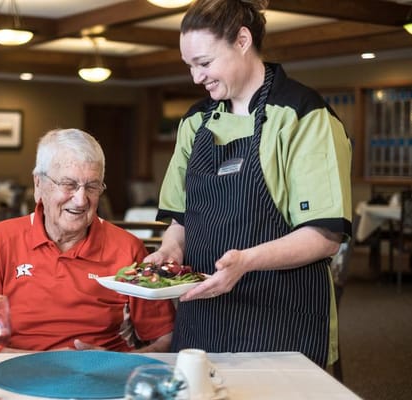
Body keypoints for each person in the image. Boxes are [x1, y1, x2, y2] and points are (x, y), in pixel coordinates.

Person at [144, 0, 352, 368]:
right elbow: (181, 220)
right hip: (202, 318)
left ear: (242, 40)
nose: (195, 77)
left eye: (204, 63)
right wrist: (170, 252)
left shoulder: (303, 115)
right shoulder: (195, 121)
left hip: (282, 318)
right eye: (189, 66)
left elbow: (324, 237)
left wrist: (246, 261)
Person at [0, 128, 175, 352]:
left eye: (92, 186)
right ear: (39, 184)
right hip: (18, 373)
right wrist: (42, 363)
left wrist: (113, 362)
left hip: (102, 377)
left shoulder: (128, 248)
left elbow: (165, 340)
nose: (80, 200)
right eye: (68, 185)